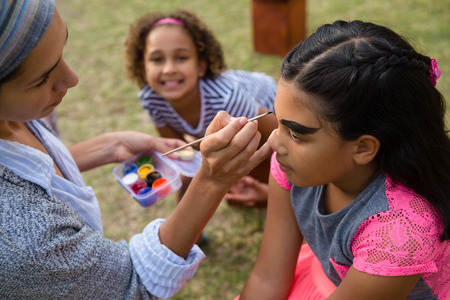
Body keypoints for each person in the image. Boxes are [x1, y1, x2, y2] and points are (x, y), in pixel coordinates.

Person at [0, 1, 272, 299]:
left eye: (62, 51)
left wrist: (111, 145)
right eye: (41, 78)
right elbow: (134, 282)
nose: (72, 79)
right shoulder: (25, 241)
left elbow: (271, 133)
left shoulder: (22, 112)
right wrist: (213, 179)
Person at [237, 20, 450, 299]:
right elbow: (268, 278)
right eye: (279, 123)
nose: (275, 141)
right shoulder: (292, 164)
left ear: (363, 148)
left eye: (297, 134)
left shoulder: (399, 233)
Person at [123, 9, 278, 207]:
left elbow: (281, 134)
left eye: (181, 58)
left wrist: (268, 190)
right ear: (143, 68)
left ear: (201, 66)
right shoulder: (151, 99)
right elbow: (181, 154)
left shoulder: (227, 99)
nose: (169, 69)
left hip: (272, 117)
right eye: (157, 59)